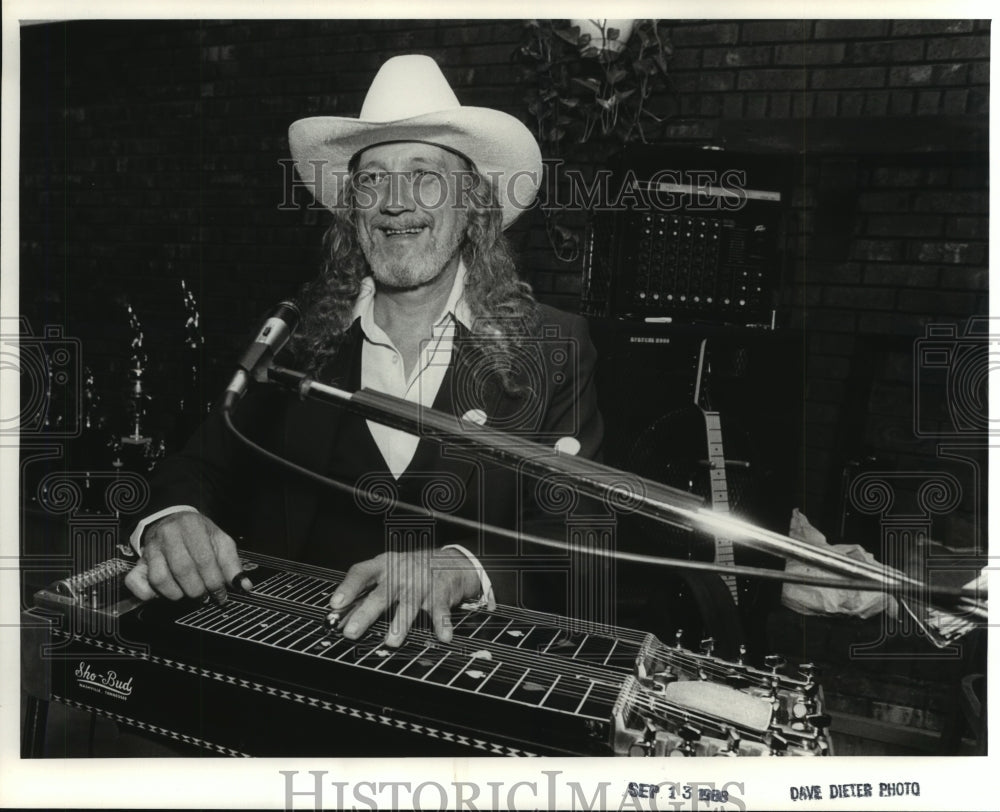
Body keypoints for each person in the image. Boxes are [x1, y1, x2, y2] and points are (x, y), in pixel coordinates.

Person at [124, 54, 603, 647]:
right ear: (353, 212)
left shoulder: (551, 347)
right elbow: (197, 466)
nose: (394, 202)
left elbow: (580, 543)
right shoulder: (293, 345)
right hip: (296, 669)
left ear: (472, 205)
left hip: (463, 687)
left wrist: (463, 569)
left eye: (424, 175)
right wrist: (170, 520)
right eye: (373, 179)